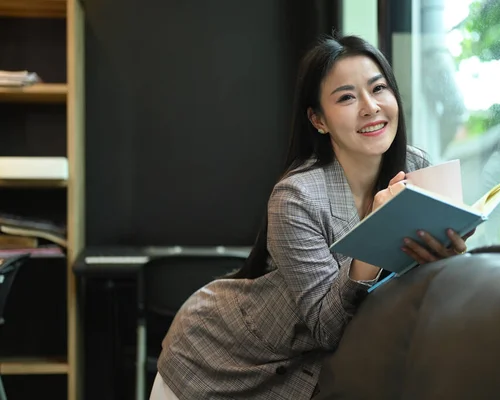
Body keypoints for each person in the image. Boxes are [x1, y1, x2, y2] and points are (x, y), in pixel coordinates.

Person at [150, 34, 470, 400]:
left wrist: (448, 255)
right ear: (318, 120)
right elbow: (326, 327)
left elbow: (420, 285)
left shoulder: (416, 169)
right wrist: (375, 235)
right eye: (347, 97)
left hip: (309, 373)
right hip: (218, 358)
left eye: (378, 88)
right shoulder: (296, 197)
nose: (370, 107)